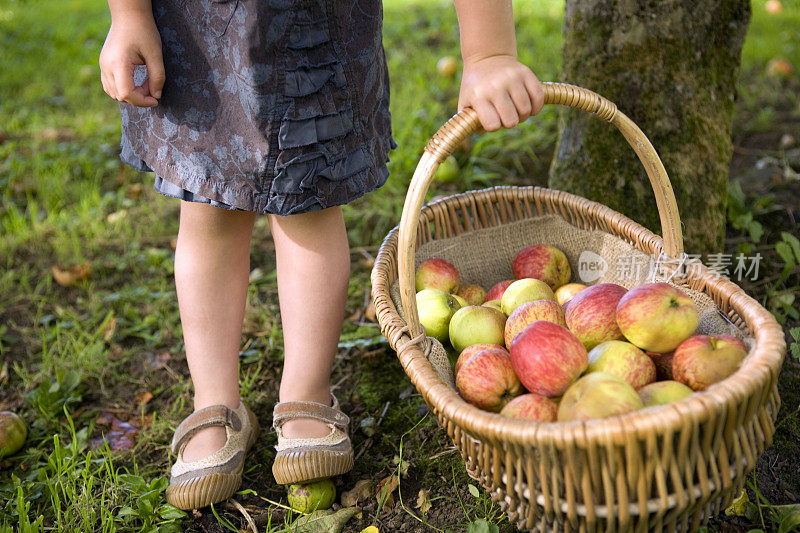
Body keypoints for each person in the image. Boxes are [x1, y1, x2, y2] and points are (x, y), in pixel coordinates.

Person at [99, 0, 544, 510]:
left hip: (315, 28)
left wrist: (488, 52)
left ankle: (307, 392)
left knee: (307, 200)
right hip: (197, 28)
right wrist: (128, 14)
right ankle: (215, 401)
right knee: (207, 207)